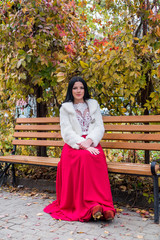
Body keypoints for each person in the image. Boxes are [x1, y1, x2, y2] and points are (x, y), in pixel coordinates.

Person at [43, 76, 116, 222]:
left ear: (85, 89)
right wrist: (82, 143)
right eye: (75, 88)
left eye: (81, 87)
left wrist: (90, 141)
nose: (78, 90)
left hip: (92, 142)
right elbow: (66, 131)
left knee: (95, 156)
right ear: (71, 90)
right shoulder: (66, 108)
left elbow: (99, 127)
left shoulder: (93, 105)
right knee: (84, 157)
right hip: (73, 145)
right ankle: (90, 206)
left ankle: (103, 205)